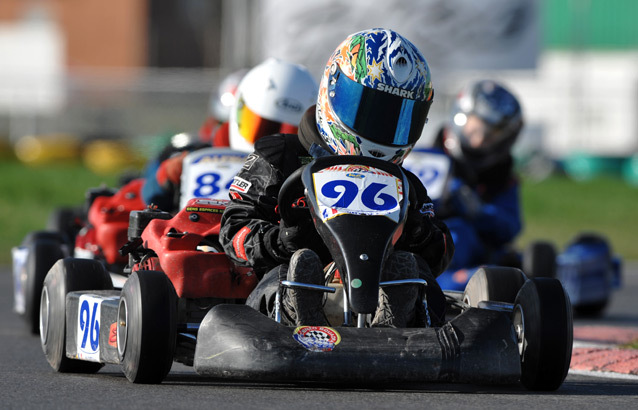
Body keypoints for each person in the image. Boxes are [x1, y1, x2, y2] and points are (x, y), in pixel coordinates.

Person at [219, 28, 454, 328]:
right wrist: (280, 240)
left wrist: (418, 232)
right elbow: (234, 226)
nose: (382, 129)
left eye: (397, 118)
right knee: (288, 272)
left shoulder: (404, 183)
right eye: (372, 112)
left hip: (382, 286)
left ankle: (395, 323)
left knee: (414, 272)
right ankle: (298, 311)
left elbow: (442, 247)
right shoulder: (280, 155)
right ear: (333, 89)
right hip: (299, 281)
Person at [142, 59, 318, 212]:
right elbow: (143, 198)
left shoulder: (304, 176)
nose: (272, 143)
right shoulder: (194, 156)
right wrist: (167, 176)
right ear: (238, 111)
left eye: (286, 133)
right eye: (265, 127)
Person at [433, 79, 523, 274]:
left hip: (465, 246)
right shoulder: (424, 156)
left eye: (488, 134)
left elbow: (510, 226)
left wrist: (478, 210)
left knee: (455, 235)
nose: (478, 140)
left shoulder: (501, 178)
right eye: (474, 129)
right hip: (414, 230)